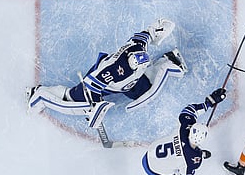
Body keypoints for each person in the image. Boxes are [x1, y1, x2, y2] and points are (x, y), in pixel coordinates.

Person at [25, 19, 188, 128]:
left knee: (145, 89)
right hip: (100, 82)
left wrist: (157, 29)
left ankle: (170, 60)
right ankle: (40, 96)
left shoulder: (139, 47)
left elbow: (144, 35)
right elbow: (92, 85)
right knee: (71, 99)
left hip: (128, 85)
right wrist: (94, 106)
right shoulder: (115, 70)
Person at [128, 88, 227, 175]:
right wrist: (195, 156)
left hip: (149, 154)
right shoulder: (193, 160)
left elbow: (190, 110)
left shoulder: (184, 127)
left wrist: (209, 102)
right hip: (157, 170)